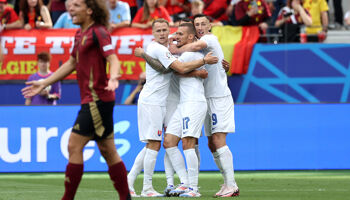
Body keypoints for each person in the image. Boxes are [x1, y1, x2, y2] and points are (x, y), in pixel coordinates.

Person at [21, 0, 131, 200]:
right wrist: (44, 82)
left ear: (90, 10)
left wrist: (114, 77)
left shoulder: (99, 32)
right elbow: (72, 62)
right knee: (108, 150)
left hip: (97, 99)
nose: (70, 8)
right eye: (69, 5)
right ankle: (125, 197)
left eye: (76, 5)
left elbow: (113, 58)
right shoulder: (80, 33)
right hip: (95, 100)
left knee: (74, 145)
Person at [128, 18, 218, 197]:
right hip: (153, 101)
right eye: (158, 31)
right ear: (152, 33)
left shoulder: (170, 44)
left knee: (159, 143)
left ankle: (178, 183)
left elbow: (172, 64)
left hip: (168, 103)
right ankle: (147, 187)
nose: (163, 34)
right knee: (155, 143)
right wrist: (200, 66)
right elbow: (173, 68)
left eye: (165, 30)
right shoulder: (157, 48)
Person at [169, 14, 239, 197]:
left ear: (210, 26)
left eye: (203, 24)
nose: (200, 27)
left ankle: (231, 185)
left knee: (217, 141)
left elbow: (197, 45)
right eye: (197, 24)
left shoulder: (209, 39)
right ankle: (224, 183)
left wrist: (176, 48)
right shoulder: (198, 49)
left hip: (218, 97)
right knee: (210, 144)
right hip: (204, 98)